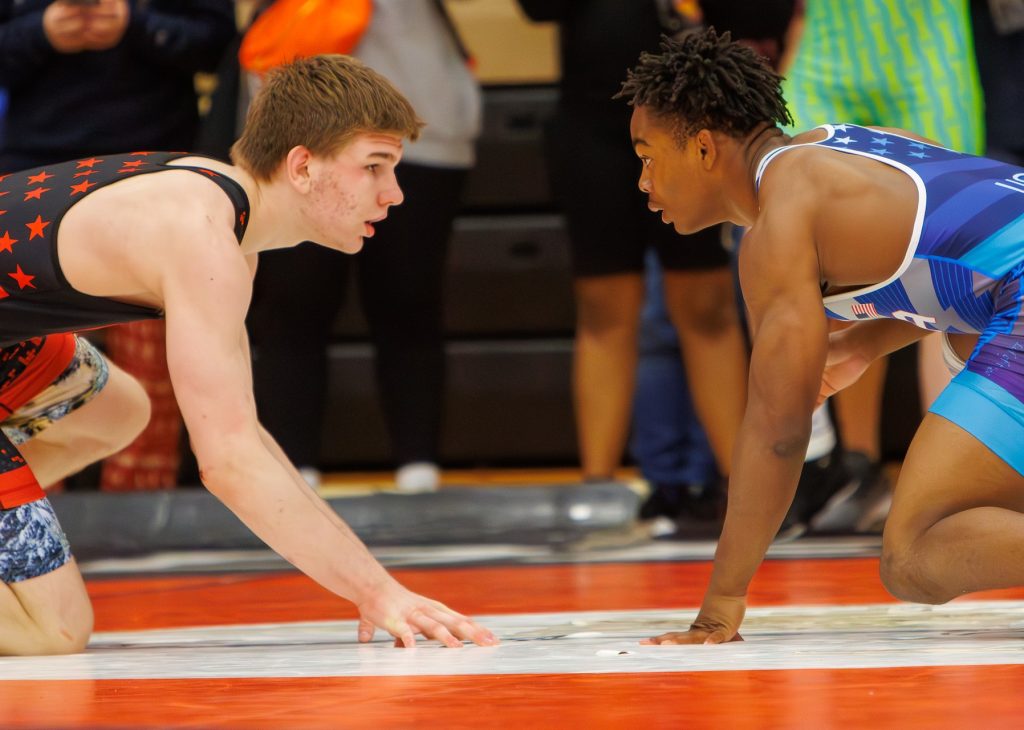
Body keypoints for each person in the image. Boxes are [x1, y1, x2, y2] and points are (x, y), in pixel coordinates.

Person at [0, 54, 498, 655]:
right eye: (374, 167)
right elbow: (228, 464)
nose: (393, 194)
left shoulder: (223, 216)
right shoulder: (202, 234)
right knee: (55, 633)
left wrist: (374, 585)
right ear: (302, 165)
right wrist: (379, 592)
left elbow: (245, 435)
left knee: (116, 410)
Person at [619, 28, 1024, 645]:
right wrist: (862, 344)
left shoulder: (780, 223)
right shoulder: (852, 144)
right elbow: (967, 252)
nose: (644, 184)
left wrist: (720, 604)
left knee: (913, 552)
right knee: (969, 356)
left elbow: (778, 435)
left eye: (648, 157)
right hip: (1008, 288)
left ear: (703, 148)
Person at [0, 0, 238, 490]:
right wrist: (40, 32)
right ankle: (27, 508)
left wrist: (138, 26)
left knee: (158, 354)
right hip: (31, 175)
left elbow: (219, 46)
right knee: (26, 349)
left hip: (151, 165)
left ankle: (145, 506)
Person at [516, 1, 748, 505]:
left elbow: (758, 14)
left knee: (707, 304)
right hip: (591, 118)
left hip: (691, 119)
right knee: (603, 307)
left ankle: (743, 490)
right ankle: (597, 489)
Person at [247, 0, 479, 492]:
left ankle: (419, 469)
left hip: (423, 127)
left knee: (410, 300)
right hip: (295, 134)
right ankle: (293, 476)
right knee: (293, 305)